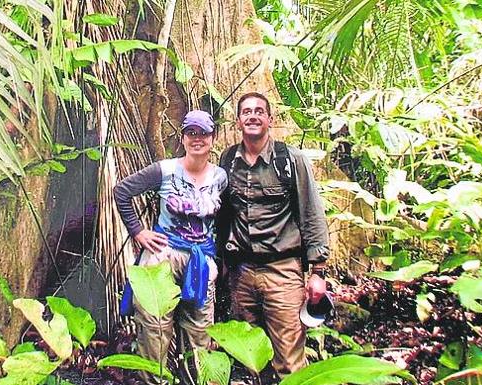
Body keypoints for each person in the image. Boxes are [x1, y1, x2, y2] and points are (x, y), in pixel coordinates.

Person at [217, 92, 329, 380]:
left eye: (259, 111)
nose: (252, 116)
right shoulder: (228, 160)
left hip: (283, 271)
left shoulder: (290, 160)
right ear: (238, 120)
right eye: (246, 112)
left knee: (289, 361)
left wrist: (318, 271)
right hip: (241, 274)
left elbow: (312, 212)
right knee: (249, 359)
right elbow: (222, 214)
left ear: (270, 119)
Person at [114, 110, 227, 384]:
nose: (197, 139)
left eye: (203, 134)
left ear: (213, 139)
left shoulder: (221, 177)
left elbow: (225, 218)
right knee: (155, 329)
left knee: (199, 331)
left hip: (200, 260)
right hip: (162, 256)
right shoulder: (164, 170)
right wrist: (139, 232)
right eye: (191, 133)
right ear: (183, 137)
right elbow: (122, 191)